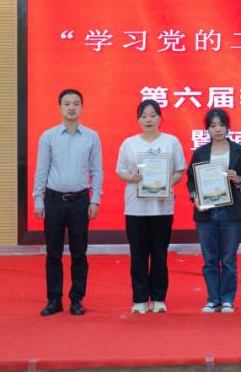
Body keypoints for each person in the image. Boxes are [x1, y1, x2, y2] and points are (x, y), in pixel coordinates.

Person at [33, 88, 104, 317]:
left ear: (82, 107)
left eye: (76, 103)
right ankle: (54, 299)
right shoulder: (48, 136)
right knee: (53, 253)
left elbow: (97, 171)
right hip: (53, 200)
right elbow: (41, 170)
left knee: (79, 253)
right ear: (60, 108)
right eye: (67, 104)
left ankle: (76, 298)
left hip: (80, 201)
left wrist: (95, 200)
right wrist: (38, 198)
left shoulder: (92, 136)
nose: (71, 107)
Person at [115, 99, 186, 314]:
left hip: (162, 208)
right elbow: (120, 171)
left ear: (160, 118)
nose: (149, 119)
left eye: (153, 115)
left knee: (159, 254)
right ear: (138, 119)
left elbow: (179, 170)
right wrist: (132, 177)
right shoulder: (129, 144)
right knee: (138, 255)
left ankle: (158, 298)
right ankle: (139, 299)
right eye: (144, 116)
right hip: (135, 208)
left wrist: (166, 184)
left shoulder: (171, 142)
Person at [186, 108, 241, 314]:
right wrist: (195, 196)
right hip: (206, 213)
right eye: (213, 125)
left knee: (229, 259)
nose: (217, 129)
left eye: (221, 125)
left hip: (231, 212)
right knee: (210, 259)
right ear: (207, 129)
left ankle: (227, 299)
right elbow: (191, 180)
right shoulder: (200, 153)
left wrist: (237, 178)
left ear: (228, 127)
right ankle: (213, 299)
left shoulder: (238, 150)